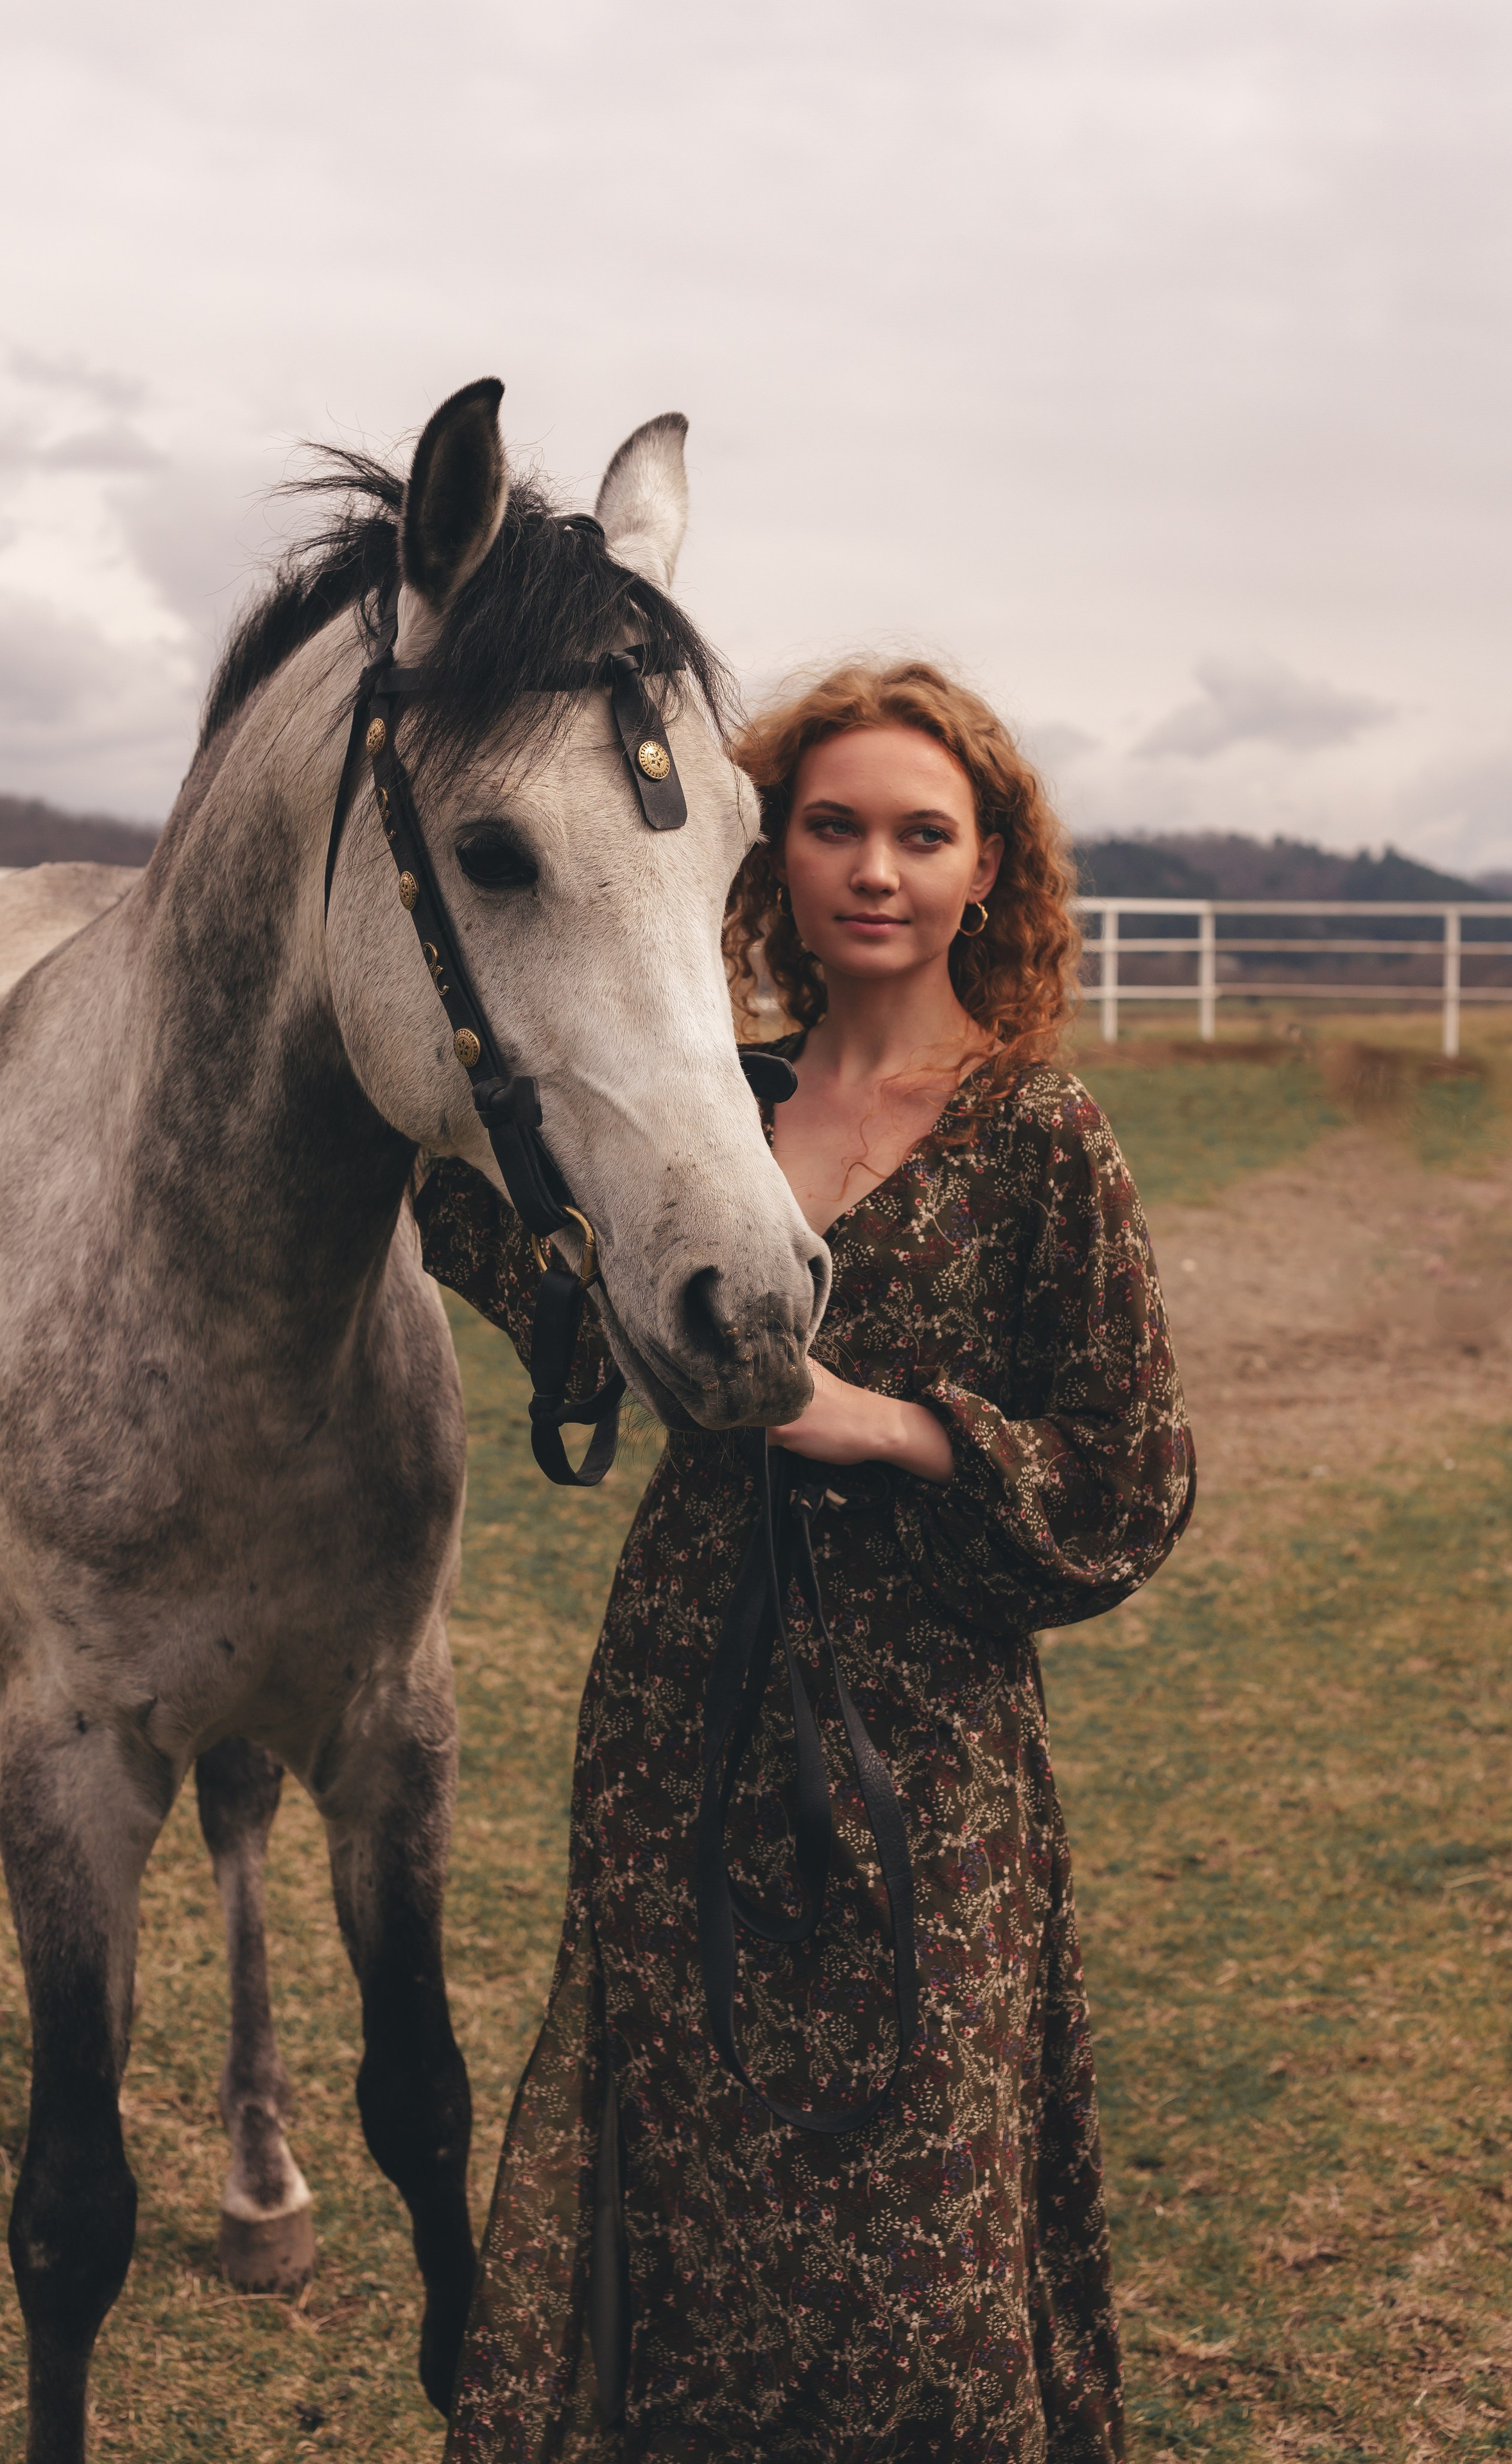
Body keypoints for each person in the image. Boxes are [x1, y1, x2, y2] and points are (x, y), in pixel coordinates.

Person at [420, 659, 1194, 2462]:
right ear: (772, 856)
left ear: (987, 871)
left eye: (924, 835)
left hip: (926, 1739)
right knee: (689, 2200)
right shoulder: (710, 1114)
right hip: (681, 1710)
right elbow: (535, 1281)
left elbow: (1132, 1479)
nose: (876, 870)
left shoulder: (1039, 1136)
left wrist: (893, 1426)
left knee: (927, 2230)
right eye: (834, 827)